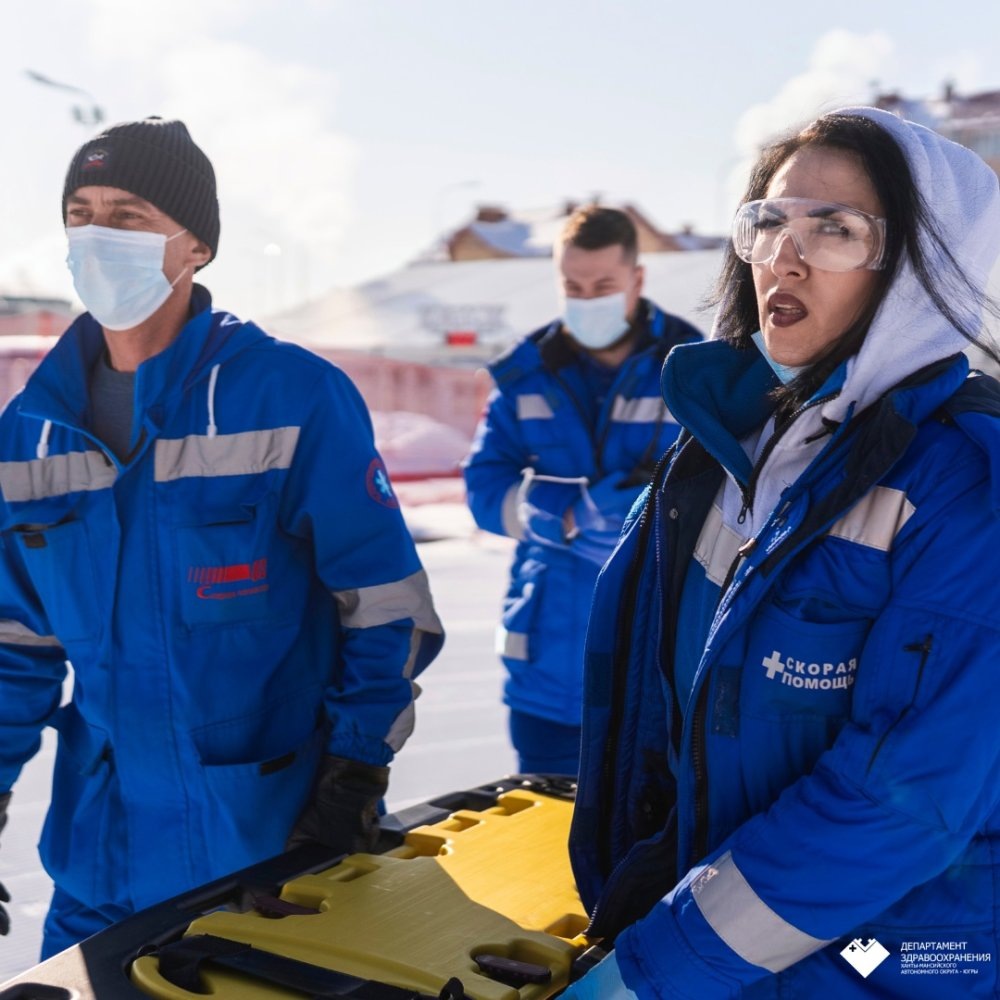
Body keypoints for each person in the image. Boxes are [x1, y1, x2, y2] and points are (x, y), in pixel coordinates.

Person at [564, 107, 1000, 999]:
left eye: (834, 229)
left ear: (925, 265)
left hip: (894, 966)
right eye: (768, 221)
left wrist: (654, 973)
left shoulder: (967, 485)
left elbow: (898, 808)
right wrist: (634, 912)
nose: (781, 257)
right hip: (718, 956)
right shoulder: (728, 450)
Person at [0, 117, 443, 958]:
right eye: (80, 212)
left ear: (194, 244)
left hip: (275, 854)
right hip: (100, 863)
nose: (97, 236)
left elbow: (384, 605)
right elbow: (13, 646)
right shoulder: (29, 433)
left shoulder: (291, 396)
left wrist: (355, 773)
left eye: (127, 216)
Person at [463, 206, 702, 776]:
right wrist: (564, 516)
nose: (586, 299)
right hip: (545, 672)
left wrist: (645, 516)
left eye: (603, 286)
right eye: (573, 287)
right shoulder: (525, 375)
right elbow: (482, 488)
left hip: (654, 670)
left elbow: (729, 491)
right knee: (537, 842)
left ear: (637, 280)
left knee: (642, 852)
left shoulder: (693, 371)